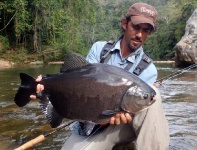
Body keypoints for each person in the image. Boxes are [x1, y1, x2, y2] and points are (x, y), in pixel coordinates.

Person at [31, 2, 170, 150]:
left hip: (123, 127)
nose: (139, 35)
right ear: (124, 24)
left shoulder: (149, 69)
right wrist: (46, 90)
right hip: (89, 123)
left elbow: (143, 113)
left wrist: (113, 116)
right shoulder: (99, 49)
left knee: (155, 96)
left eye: (146, 30)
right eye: (136, 27)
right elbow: (78, 87)